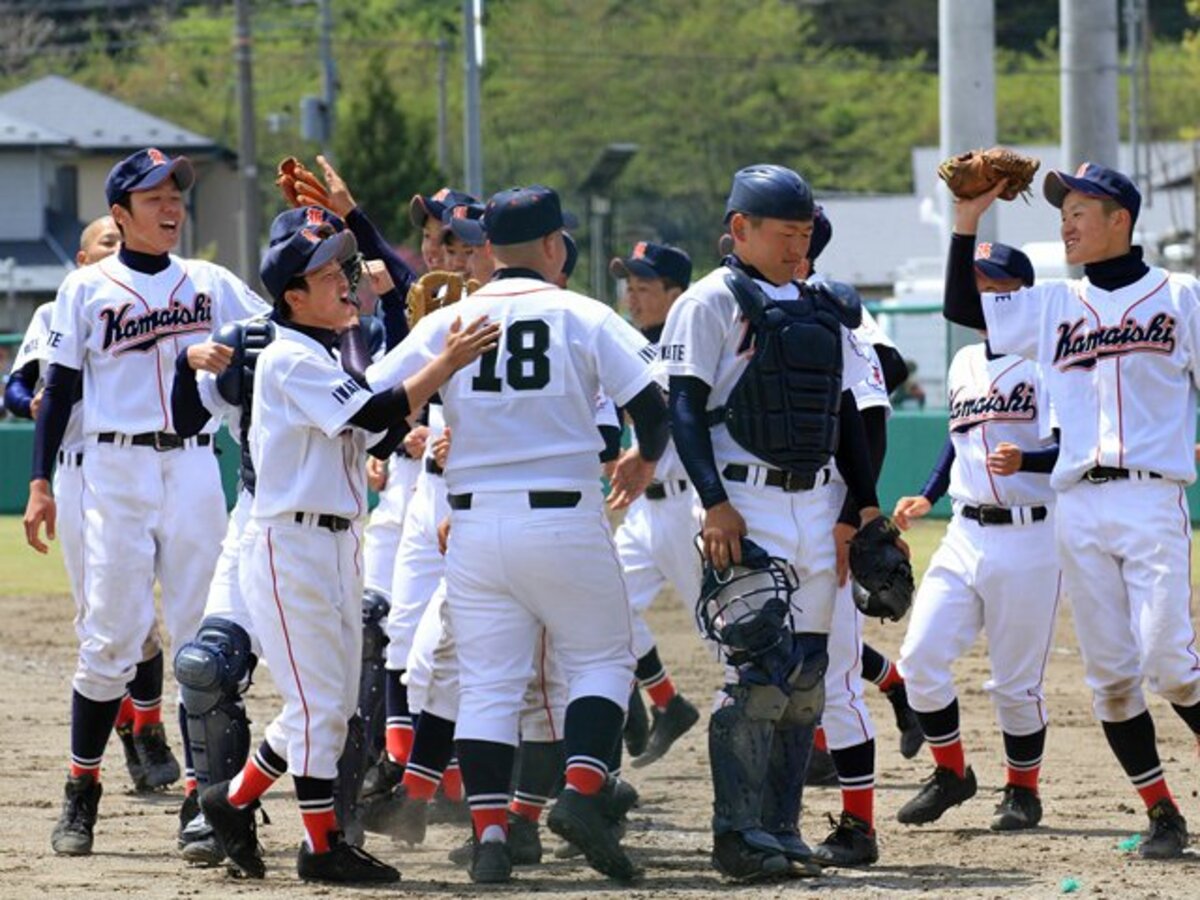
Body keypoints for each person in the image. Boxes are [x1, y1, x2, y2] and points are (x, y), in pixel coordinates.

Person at [366, 184, 669, 885]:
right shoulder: (581, 313)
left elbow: (374, 397)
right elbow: (652, 406)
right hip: (563, 514)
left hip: (472, 522)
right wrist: (644, 457)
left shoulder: (453, 318)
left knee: (489, 688)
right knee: (601, 661)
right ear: (555, 245)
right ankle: (584, 796)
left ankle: (492, 836)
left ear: (489, 251)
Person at [197, 210, 497, 884]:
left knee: (328, 704)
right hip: (289, 544)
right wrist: (443, 358)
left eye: (343, 267)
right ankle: (321, 846)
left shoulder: (324, 353)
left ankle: (232, 799)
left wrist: (420, 407)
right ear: (292, 297)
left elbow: (379, 433)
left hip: (334, 541)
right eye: (326, 274)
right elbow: (373, 413)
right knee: (318, 707)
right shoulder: (288, 356)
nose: (343, 281)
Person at [943, 163, 1200, 858]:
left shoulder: (1181, 296)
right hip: (1077, 504)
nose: (1067, 220)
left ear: (1122, 219)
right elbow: (965, 310)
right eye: (1063, 209)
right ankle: (1163, 814)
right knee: (1112, 681)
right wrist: (967, 222)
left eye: (1082, 207)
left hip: (1151, 497)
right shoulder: (1053, 302)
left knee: (1171, 664)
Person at [24, 149, 267, 856]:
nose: (171, 207)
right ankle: (82, 789)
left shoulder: (213, 283)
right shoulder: (86, 288)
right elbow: (60, 390)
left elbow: (279, 332)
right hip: (112, 469)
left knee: (202, 639)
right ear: (121, 213)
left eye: (177, 195)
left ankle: (201, 798)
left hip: (193, 469)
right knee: (111, 636)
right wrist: (40, 482)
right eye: (154, 196)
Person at [659, 164, 896, 880]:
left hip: (818, 500)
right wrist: (713, 502)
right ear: (741, 230)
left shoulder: (827, 305)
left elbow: (846, 416)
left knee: (806, 678)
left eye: (806, 233)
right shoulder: (707, 303)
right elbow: (683, 409)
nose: (801, 246)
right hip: (747, 500)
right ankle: (738, 836)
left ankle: (782, 830)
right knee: (758, 673)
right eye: (787, 234)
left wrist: (863, 508)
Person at [893, 242, 1061, 833]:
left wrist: (1034, 459)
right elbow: (956, 438)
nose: (986, 297)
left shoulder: (1048, 362)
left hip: (1031, 534)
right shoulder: (965, 361)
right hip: (963, 531)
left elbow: (1074, 445)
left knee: (1015, 684)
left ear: (1024, 294)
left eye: (997, 287)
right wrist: (928, 493)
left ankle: (1022, 790)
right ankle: (952, 773)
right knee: (918, 659)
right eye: (980, 288)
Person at [6, 216, 175, 794]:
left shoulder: (156, 302)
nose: (118, 247)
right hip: (80, 471)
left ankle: (148, 728)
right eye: (107, 240)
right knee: (100, 626)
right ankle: (129, 731)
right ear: (83, 259)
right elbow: (17, 385)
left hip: (144, 466)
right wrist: (31, 402)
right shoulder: (56, 312)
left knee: (143, 624)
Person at [607, 241, 702, 768]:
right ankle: (666, 702)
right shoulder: (629, 344)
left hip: (690, 509)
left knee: (725, 638)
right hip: (645, 511)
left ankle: (814, 743)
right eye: (630, 286)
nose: (633, 297)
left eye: (645, 288)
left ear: (676, 294)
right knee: (603, 601)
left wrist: (641, 452)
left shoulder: (694, 345)